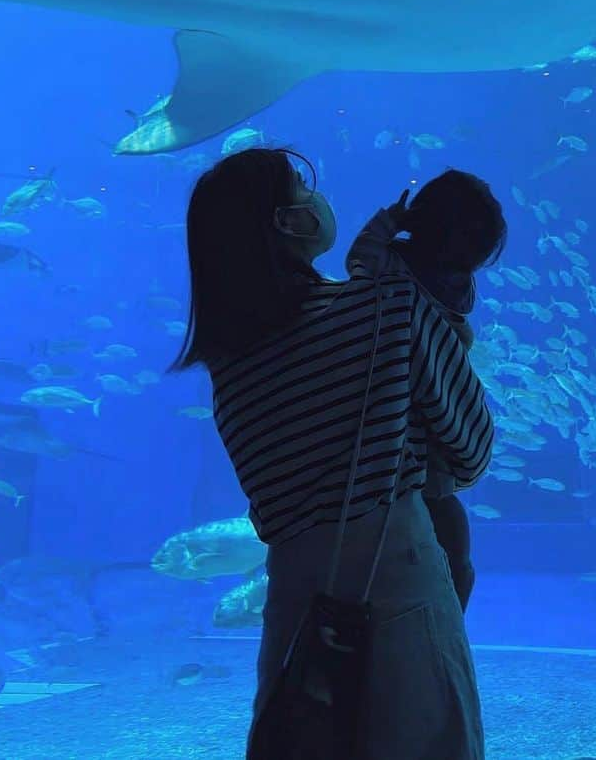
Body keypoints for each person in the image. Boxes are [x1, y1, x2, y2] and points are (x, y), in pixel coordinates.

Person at [172, 147, 494, 760]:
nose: (316, 197)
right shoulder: (387, 308)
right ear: (287, 223)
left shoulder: (228, 364)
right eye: (301, 186)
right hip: (401, 593)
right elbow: (472, 449)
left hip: (297, 614)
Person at [346, 169, 506, 613]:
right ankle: (448, 615)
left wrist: (391, 220)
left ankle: (441, 611)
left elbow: (358, 260)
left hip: (393, 444)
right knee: (452, 545)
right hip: (432, 449)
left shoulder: (390, 268)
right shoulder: (459, 286)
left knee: (438, 541)